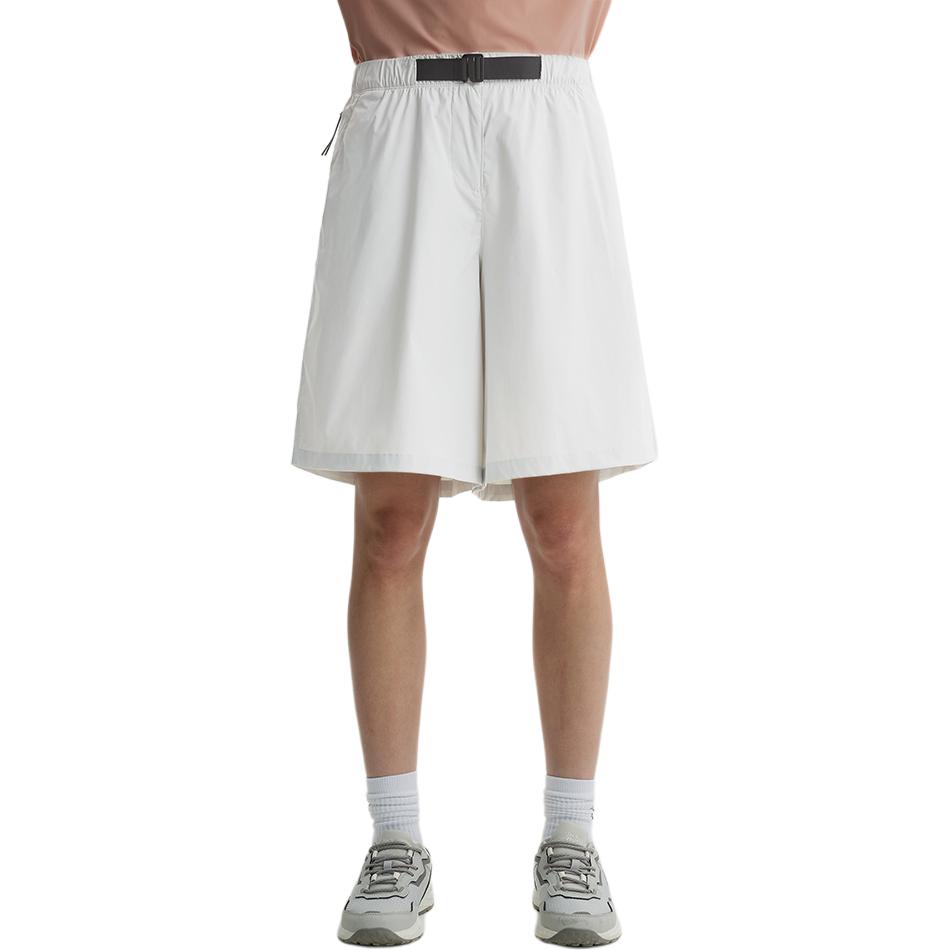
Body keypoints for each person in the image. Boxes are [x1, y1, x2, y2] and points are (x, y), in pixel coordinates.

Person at [293, 2, 656, 945]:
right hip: (400, 110)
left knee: (564, 519)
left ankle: (571, 834)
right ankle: (394, 837)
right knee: (392, 519)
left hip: (546, 112)